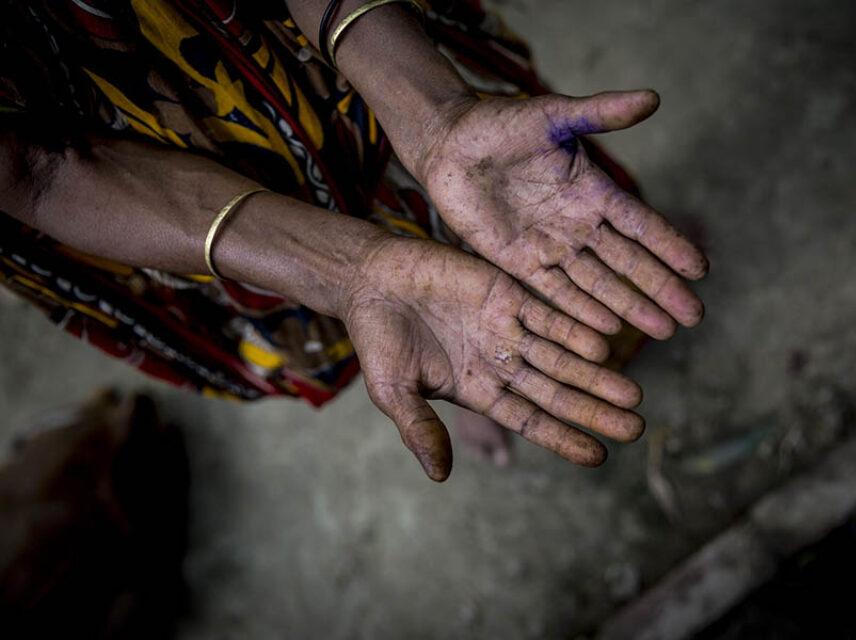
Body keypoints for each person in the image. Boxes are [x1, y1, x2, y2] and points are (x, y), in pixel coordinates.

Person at [0, 0, 707, 481]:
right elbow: (31, 169)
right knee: (391, 328)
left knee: (544, 209)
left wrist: (435, 113)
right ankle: (473, 388)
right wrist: (345, 272)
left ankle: (580, 337)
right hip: (132, 195)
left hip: (314, 40)